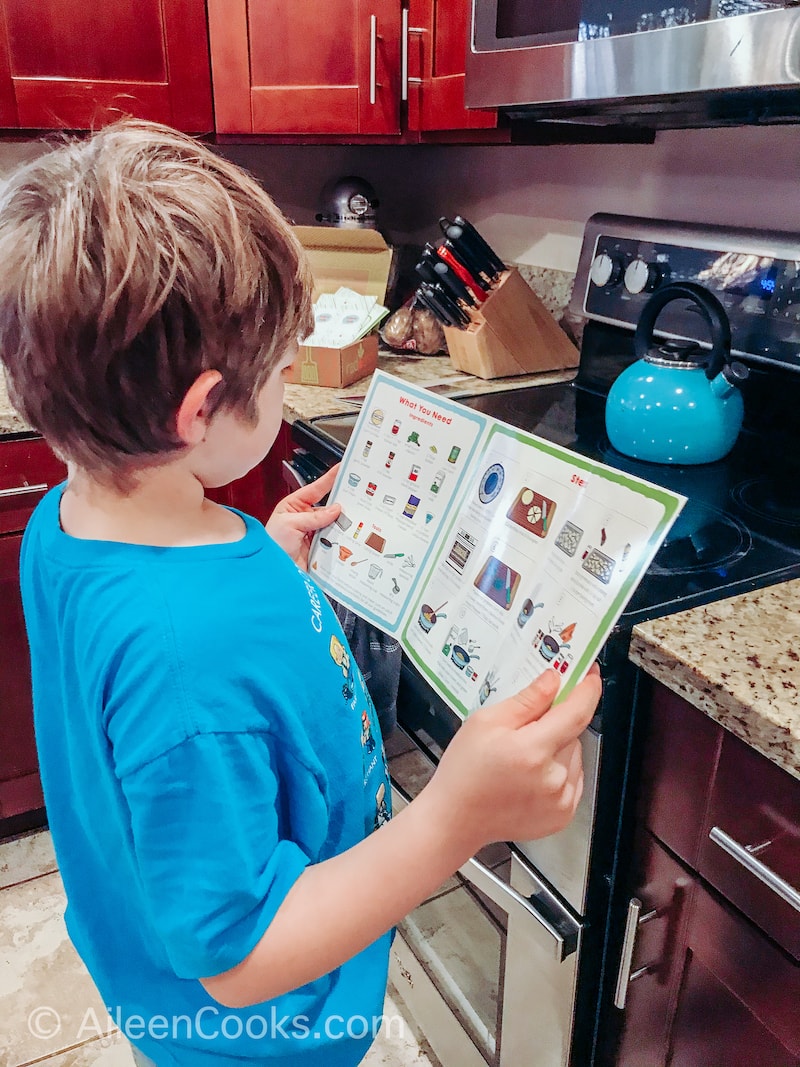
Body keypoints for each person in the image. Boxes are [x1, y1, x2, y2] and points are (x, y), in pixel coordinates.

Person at [0, 120, 602, 1067]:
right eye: (285, 370)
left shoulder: (68, 521)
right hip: (260, 1034)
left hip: (144, 948)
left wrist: (271, 565)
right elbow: (240, 956)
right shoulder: (185, 654)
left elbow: (145, 688)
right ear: (199, 409)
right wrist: (457, 814)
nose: (289, 383)